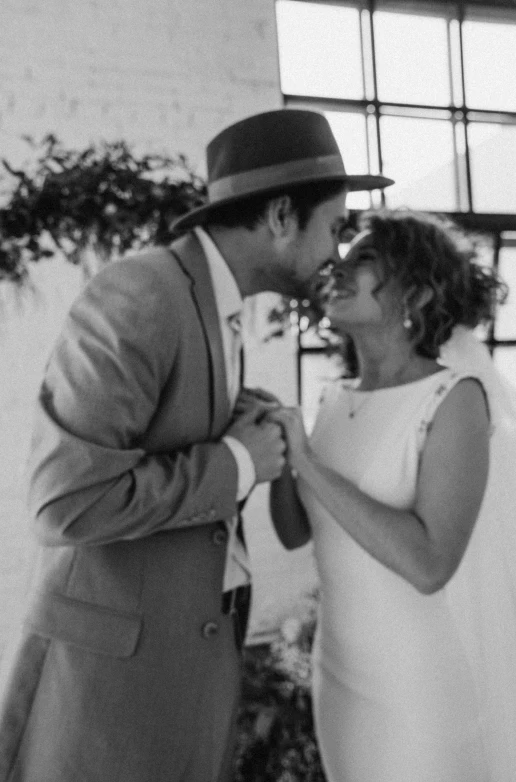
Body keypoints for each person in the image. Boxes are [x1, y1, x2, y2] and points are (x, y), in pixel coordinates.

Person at [0, 109, 391, 782]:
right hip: (109, 689)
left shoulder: (216, 304)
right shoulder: (143, 291)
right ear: (278, 217)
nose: (336, 251)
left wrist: (239, 421)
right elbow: (64, 501)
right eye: (333, 225)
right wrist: (238, 464)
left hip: (192, 662)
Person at [268, 209, 516, 782]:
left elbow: (430, 562)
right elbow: (293, 532)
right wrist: (283, 454)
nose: (337, 268)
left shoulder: (455, 399)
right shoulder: (333, 400)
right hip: (340, 681)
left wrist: (308, 461)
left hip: (420, 694)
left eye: (363, 260)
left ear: (419, 293)